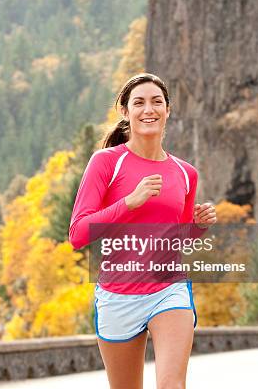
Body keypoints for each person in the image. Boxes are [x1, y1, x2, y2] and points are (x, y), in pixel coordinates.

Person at [69, 73, 217, 389]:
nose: (148, 109)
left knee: (170, 386)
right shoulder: (106, 163)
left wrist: (198, 227)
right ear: (125, 111)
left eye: (156, 102)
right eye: (138, 102)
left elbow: (175, 238)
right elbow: (78, 234)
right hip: (116, 295)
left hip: (169, 289)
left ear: (168, 110)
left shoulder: (185, 173)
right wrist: (129, 203)